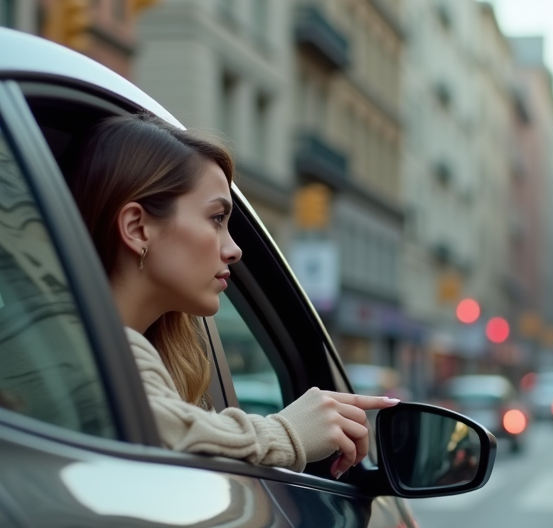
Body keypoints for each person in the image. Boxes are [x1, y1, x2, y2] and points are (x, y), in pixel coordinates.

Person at [68, 113, 395, 477]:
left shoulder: (136, 354)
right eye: (216, 219)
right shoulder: (87, 354)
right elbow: (161, 433)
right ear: (137, 228)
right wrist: (287, 433)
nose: (235, 250)